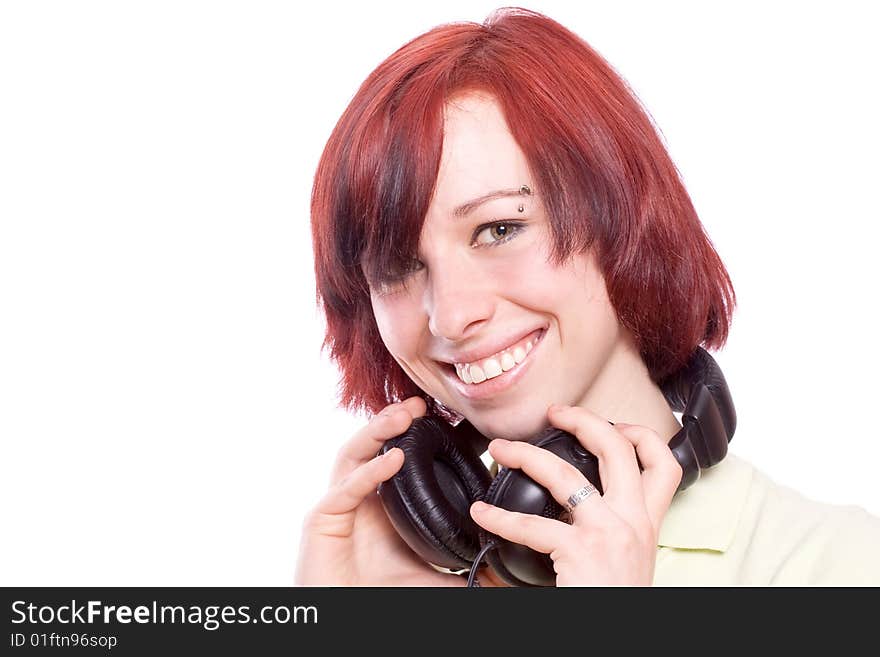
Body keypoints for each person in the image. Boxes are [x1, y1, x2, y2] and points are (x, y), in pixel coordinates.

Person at [295, 7, 880, 586]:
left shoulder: (841, 565)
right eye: (398, 268)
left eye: (500, 229)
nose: (450, 314)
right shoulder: (400, 573)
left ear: (621, 216)